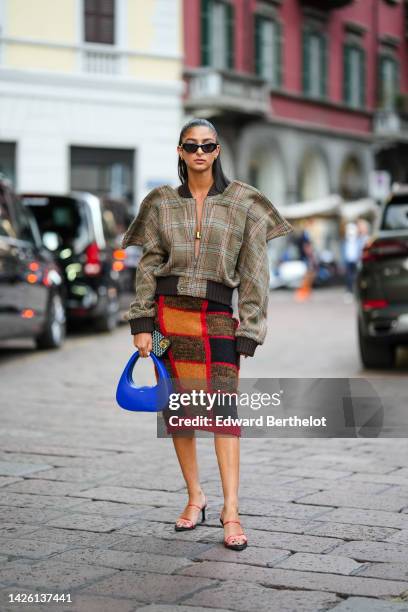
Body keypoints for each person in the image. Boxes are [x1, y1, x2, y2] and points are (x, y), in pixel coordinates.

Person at [121, 118, 293, 551]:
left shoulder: (244, 202)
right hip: (165, 316)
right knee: (178, 411)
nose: (200, 152)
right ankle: (195, 496)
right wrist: (142, 323)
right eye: (191, 145)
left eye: (208, 145)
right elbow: (148, 264)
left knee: (223, 415)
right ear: (180, 151)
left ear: (217, 151)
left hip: (217, 315)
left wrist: (251, 327)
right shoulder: (160, 202)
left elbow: (256, 271)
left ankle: (230, 509)